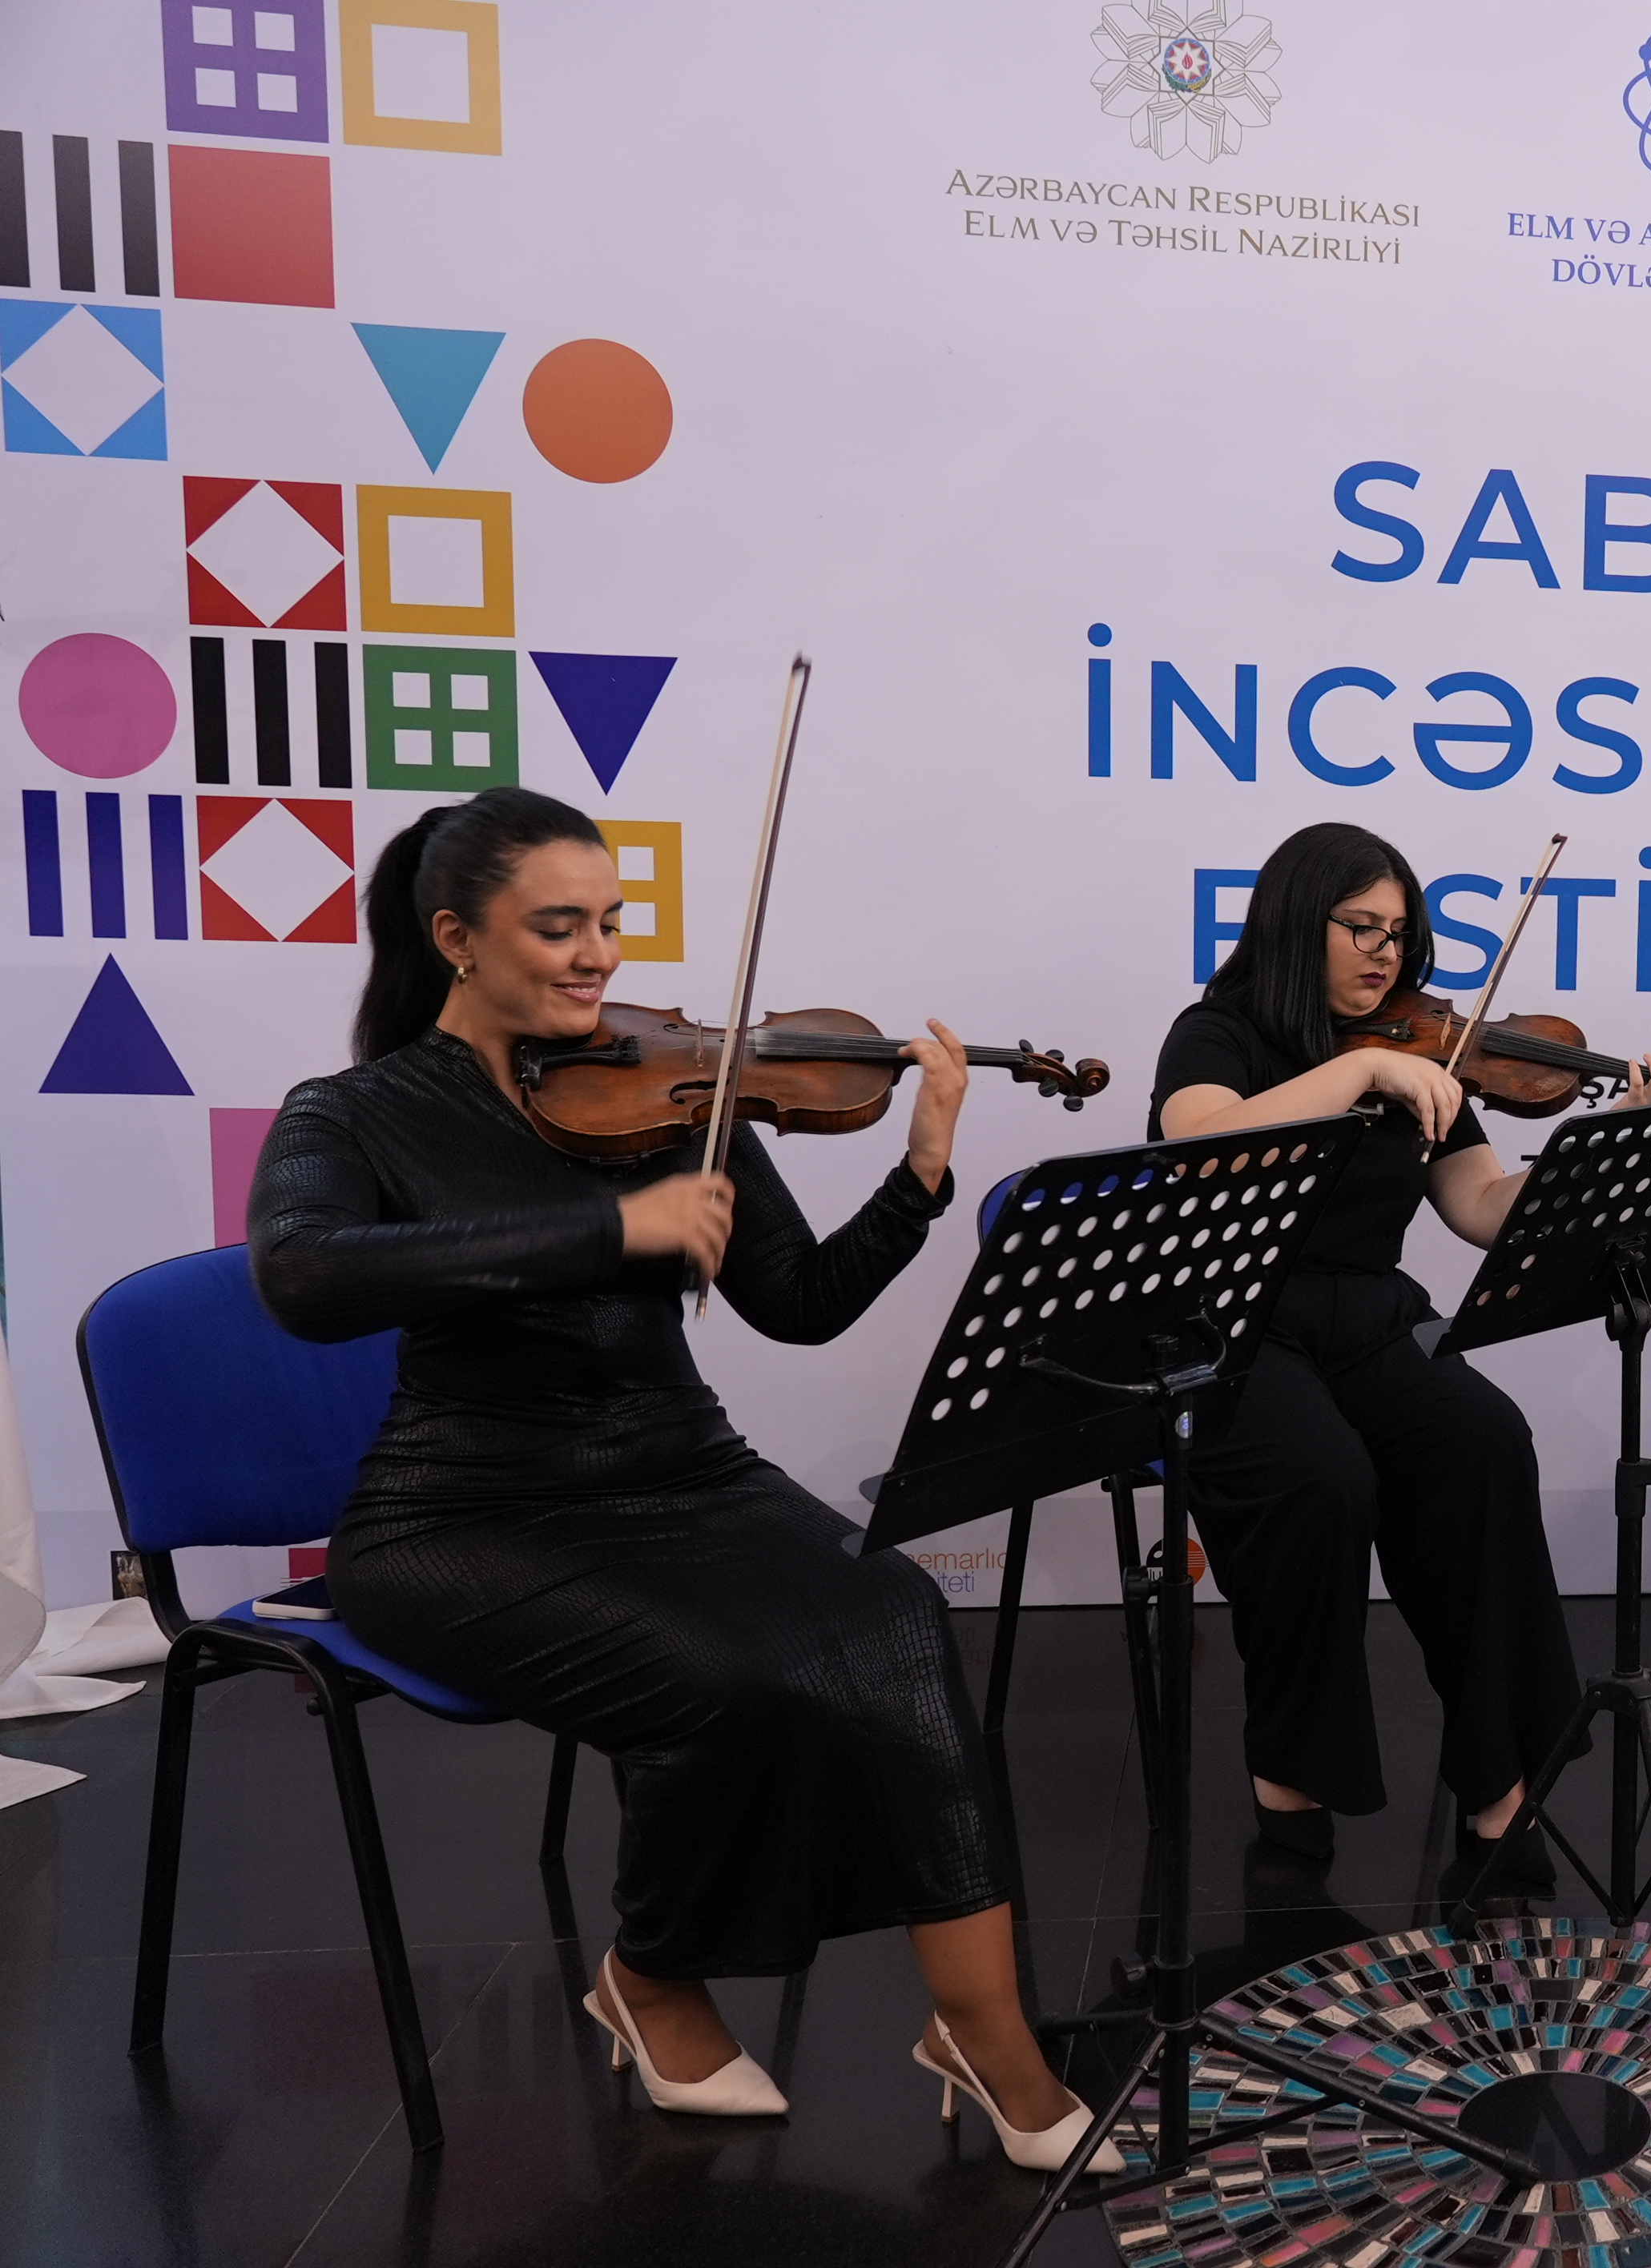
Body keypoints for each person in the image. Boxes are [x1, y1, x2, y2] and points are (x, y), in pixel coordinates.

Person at [251, 788, 1116, 2174]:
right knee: (725, 1681)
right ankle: (651, 1978)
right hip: (460, 1510)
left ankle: (985, 2029)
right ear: (457, 938)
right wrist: (607, 1229)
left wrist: (920, 1175)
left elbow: (802, 1303)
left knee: (900, 1616)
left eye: (610, 922)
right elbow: (303, 1276)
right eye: (560, 927)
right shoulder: (355, 1112)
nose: (599, 956)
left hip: (686, 1468)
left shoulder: (668, 1087)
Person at [1150, 822, 1651, 1888]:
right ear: (1296, 921)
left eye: (1398, 933)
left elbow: (1482, 1206)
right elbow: (1201, 1148)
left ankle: (1500, 1777)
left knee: (1482, 1440)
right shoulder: (1219, 1032)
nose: (1385, 953)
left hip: (1370, 1317)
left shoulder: (1427, 1048)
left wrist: (1610, 1145)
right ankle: (1292, 1771)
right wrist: (1360, 1071)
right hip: (1235, 1328)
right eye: (1362, 927)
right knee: (1321, 1480)